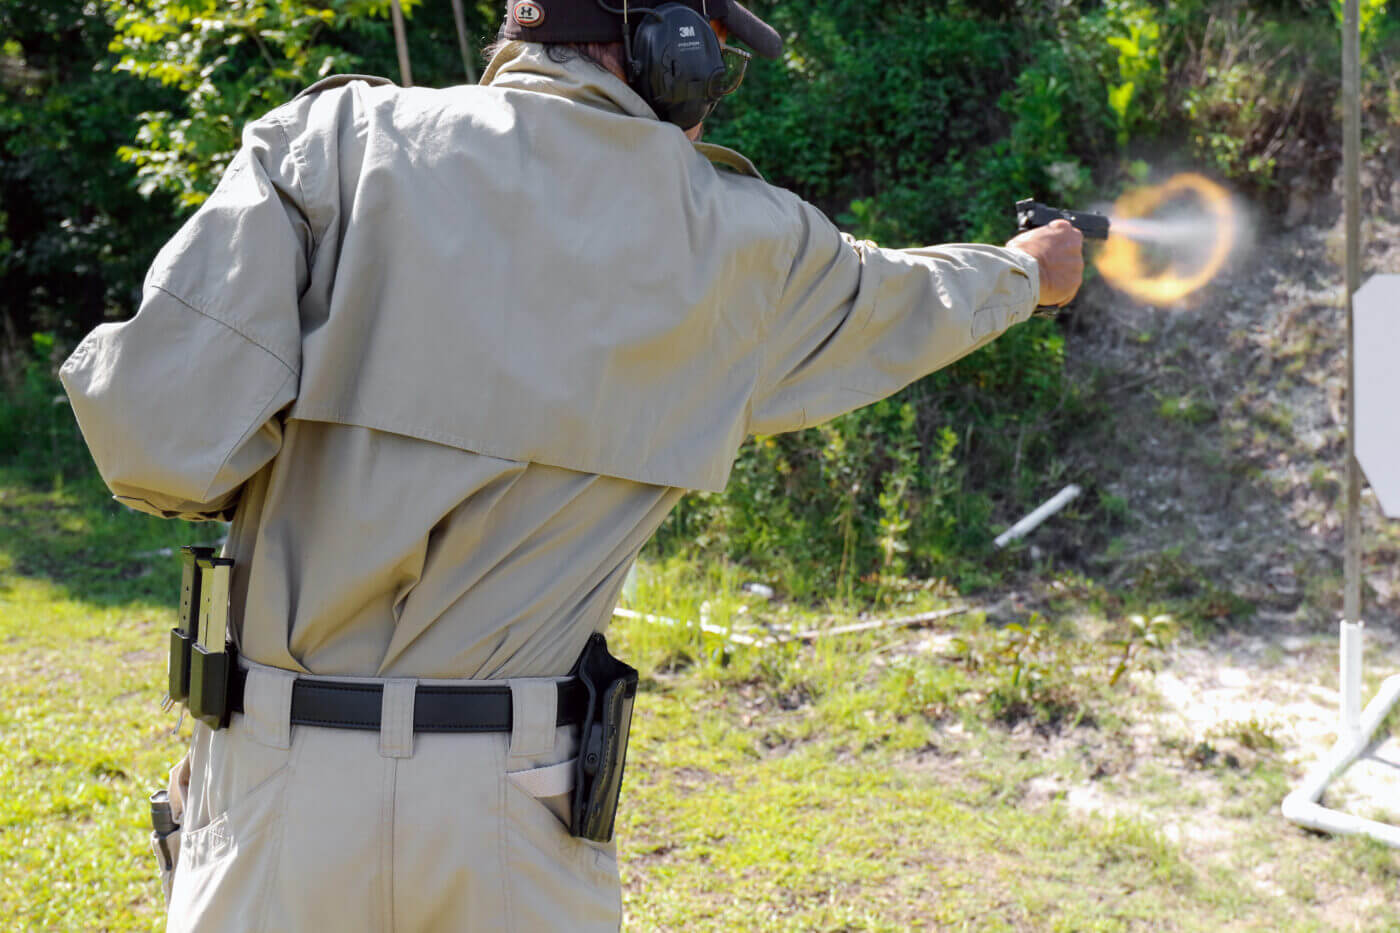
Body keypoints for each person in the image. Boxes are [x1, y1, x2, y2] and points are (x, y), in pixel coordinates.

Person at [60, 0, 1084, 929]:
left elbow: (157, 443)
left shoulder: (335, 141)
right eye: (714, 57)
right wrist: (1025, 274)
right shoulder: (744, 240)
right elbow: (905, 299)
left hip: (276, 776)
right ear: (664, 50)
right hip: (517, 803)